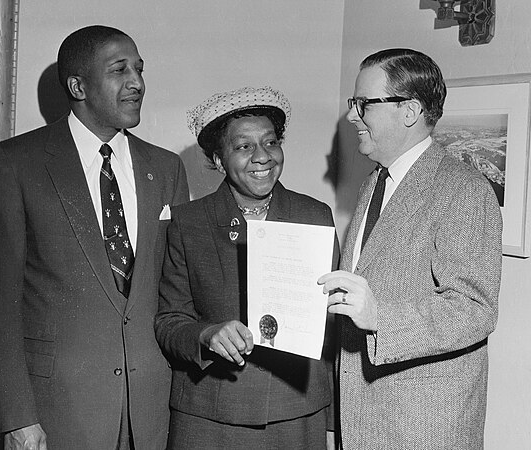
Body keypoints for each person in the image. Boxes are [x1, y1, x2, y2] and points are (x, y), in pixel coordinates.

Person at [0, 25, 189, 450]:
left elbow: (177, 293)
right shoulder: (14, 164)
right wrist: (17, 419)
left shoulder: (165, 169)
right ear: (78, 85)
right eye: (120, 69)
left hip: (150, 413)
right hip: (57, 414)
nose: (137, 82)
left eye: (140, 70)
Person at [318, 48, 502, 449]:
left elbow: (475, 309)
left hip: (422, 426)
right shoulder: (374, 182)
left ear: (409, 110)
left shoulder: (464, 189)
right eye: (354, 103)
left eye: (364, 103)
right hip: (364, 417)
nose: (352, 115)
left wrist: (380, 316)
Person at [154, 86, 340, 450]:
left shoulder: (315, 216)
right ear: (219, 160)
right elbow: (169, 320)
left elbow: (332, 328)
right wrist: (207, 335)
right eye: (243, 147)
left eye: (270, 143)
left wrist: (333, 421)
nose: (261, 157)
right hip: (211, 414)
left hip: (297, 413)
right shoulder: (188, 222)